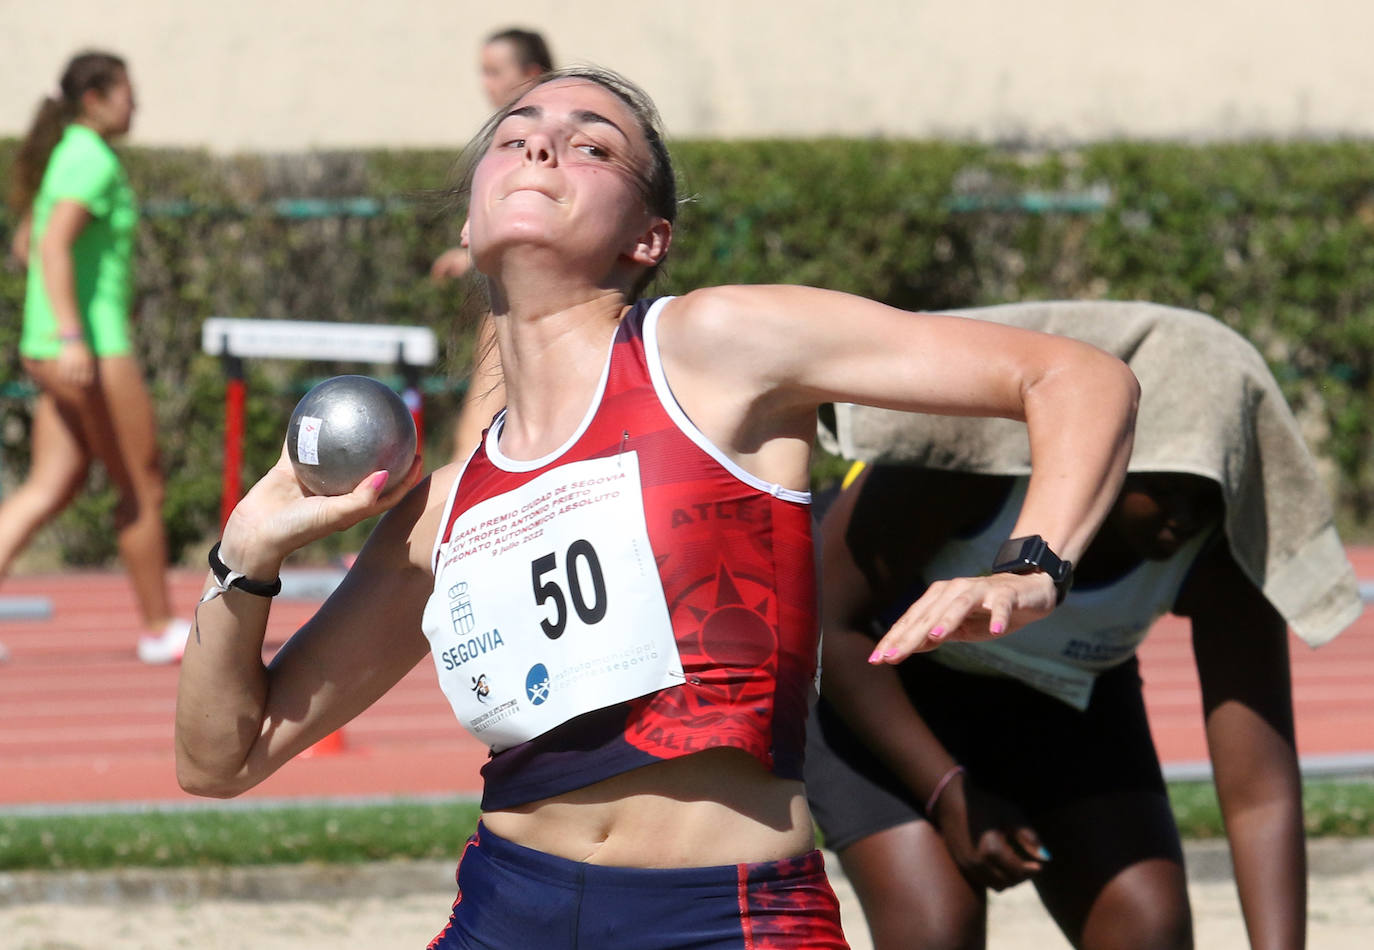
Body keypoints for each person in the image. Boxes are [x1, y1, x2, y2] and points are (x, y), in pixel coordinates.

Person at [174, 69, 1139, 948]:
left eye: (593, 143)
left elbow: (1074, 377)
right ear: (466, 227)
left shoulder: (710, 350)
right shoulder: (441, 511)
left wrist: (1033, 565)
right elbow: (223, 759)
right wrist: (244, 557)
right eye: (514, 137)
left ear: (650, 238)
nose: (542, 147)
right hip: (505, 911)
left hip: (724, 918)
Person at [806, 300, 1363, 949]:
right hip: (877, 683)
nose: (1184, 516)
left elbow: (1261, 793)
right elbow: (830, 627)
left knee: (1148, 926)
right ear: (1112, 450)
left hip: (1060, 699)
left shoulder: (1220, 548)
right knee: (937, 927)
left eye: (1205, 493)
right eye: (1166, 485)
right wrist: (947, 790)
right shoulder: (965, 465)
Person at [1, 51, 189, 665]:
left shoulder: (66, 155)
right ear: (95, 99)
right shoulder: (92, 159)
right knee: (142, 485)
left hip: (52, 347)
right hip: (92, 350)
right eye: (126, 93)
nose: (135, 105)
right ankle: (161, 626)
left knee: (51, 485)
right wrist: (75, 333)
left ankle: (160, 623)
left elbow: (27, 244)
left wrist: (65, 317)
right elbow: (50, 246)